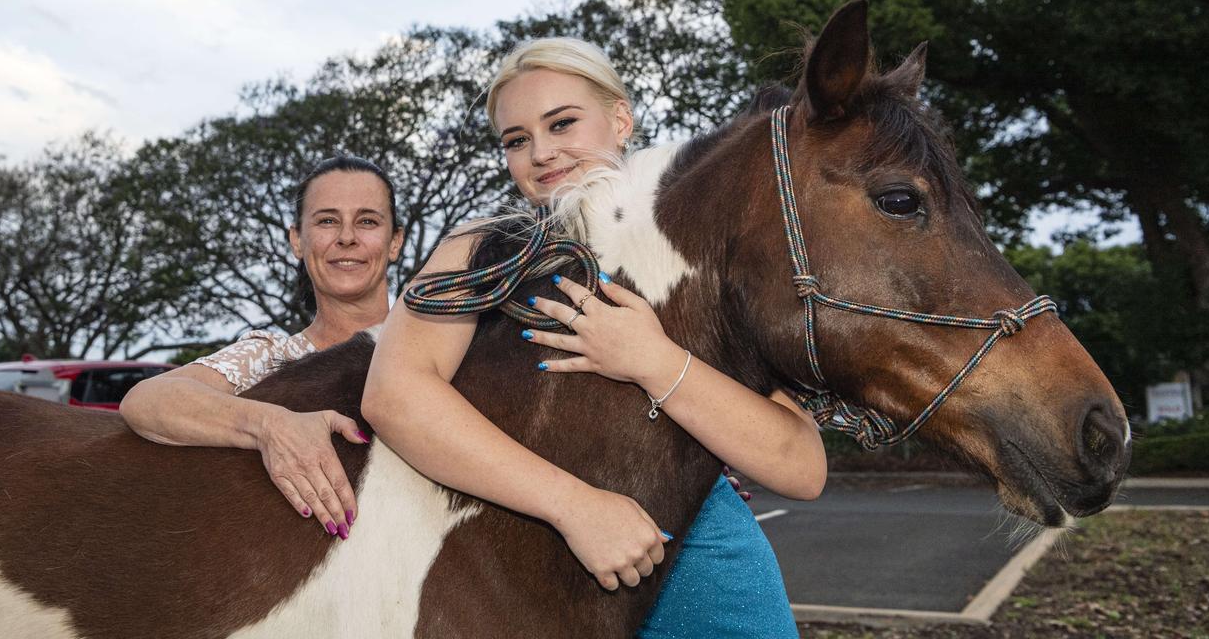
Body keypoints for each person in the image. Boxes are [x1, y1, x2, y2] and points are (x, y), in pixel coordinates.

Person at [362, 38, 826, 637]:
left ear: (620, 119)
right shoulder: (483, 249)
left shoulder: (700, 258)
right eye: (517, 140)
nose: (541, 152)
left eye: (562, 123)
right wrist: (574, 507)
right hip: (518, 573)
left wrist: (652, 360)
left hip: (705, 579)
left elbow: (801, 466)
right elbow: (394, 395)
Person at [121, 156, 403, 539]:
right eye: (326, 220)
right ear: (297, 242)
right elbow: (146, 400)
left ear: (395, 242)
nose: (347, 237)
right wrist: (271, 426)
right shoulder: (271, 355)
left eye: (367, 221)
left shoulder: (431, 349)